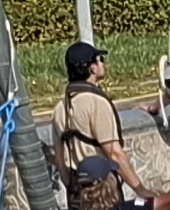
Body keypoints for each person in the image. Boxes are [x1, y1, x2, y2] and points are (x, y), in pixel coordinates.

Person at [51, 41, 147, 195]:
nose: (103, 63)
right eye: (100, 59)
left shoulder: (60, 108)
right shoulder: (97, 103)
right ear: (92, 68)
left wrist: (71, 188)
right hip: (102, 190)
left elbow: (60, 162)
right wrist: (140, 190)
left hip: (77, 190)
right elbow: (114, 153)